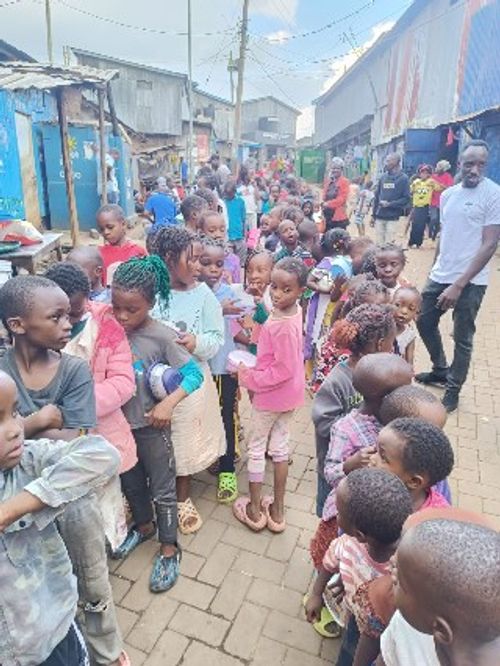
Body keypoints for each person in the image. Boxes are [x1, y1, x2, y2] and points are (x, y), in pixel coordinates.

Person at [0, 275, 126, 666]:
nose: (67, 324)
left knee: (91, 577)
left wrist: (31, 427)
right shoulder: (4, 374)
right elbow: (54, 431)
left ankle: (106, 650)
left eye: (67, 316)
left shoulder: (71, 370)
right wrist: (39, 420)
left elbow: (78, 439)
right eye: (55, 318)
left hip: (74, 502)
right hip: (40, 478)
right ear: (17, 325)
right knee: (52, 579)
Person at [110, 255, 203, 590]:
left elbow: (193, 375)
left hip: (152, 427)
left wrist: (168, 404)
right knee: (131, 481)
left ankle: (168, 546)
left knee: (163, 489)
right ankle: (144, 527)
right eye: (116, 305)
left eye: (131, 309)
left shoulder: (163, 336)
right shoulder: (109, 326)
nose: (121, 316)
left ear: (151, 302)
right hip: (119, 427)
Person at [44, 261, 137, 549]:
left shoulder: (106, 327)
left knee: (105, 494)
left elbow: (124, 381)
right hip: (56, 440)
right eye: (56, 316)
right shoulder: (37, 333)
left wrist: (75, 407)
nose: (67, 323)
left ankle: (111, 543)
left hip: (101, 431)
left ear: (87, 297)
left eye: (73, 312)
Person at [148, 226, 225, 534]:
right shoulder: (153, 291)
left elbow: (216, 338)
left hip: (190, 383)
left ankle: (181, 499)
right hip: (153, 379)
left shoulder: (204, 296)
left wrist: (197, 342)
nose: (197, 267)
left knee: (183, 442)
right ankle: (154, 489)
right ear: (168, 259)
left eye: (199, 260)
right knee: (156, 438)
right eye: (191, 260)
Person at [310, 353, 413, 581]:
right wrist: (350, 465)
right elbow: (330, 472)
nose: (410, 398)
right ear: (384, 397)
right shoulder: (346, 429)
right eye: (404, 393)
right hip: (349, 516)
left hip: (385, 519)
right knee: (335, 558)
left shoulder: (400, 423)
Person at [416, 140, 500, 413]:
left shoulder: (493, 195)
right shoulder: (449, 194)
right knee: (424, 320)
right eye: (469, 163)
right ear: (460, 165)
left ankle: (453, 388)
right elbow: (445, 234)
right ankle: (440, 368)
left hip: (471, 282)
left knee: (462, 337)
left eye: (480, 164)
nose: (475, 169)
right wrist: (433, 269)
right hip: (442, 274)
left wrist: (458, 284)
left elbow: (489, 244)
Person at [305, 468, 413, 665]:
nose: (336, 515)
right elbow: (328, 565)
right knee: (349, 648)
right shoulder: (345, 545)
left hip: (387, 636)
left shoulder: (406, 569)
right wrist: (316, 594)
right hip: (357, 619)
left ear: (361, 534)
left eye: (339, 513)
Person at [234, 257, 308, 533]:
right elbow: (269, 307)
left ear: (301, 290)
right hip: (289, 396)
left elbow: (282, 369)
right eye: (274, 286)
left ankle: (254, 510)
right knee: (279, 448)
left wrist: (248, 378)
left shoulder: (281, 327)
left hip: (270, 394)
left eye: (285, 289)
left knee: (257, 448)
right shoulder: (294, 310)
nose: (276, 294)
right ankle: (277, 510)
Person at [311, 304, 397, 520]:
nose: (393, 347)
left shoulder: (385, 375)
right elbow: (323, 422)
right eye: (391, 342)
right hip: (336, 467)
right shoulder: (338, 380)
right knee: (329, 515)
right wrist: (360, 422)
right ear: (379, 344)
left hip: (369, 467)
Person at [394, 517, 500, 666]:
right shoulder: (403, 627)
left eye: (400, 583)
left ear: (441, 629)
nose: (392, 576)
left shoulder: (411, 635)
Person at [198, 236, 240, 503]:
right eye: (206, 263)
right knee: (203, 414)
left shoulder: (230, 293)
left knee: (226, 416)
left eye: (219, 264)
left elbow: (241, 327)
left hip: (224, 366)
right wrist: (216, 310)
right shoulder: (194, 294)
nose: (213, 269)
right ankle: (211, 454)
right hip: (200, 367)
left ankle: (228, 469)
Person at [373, 418, 454, 511]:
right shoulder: (371, 488)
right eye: (376, 450)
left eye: (383, 457)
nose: (372, 458)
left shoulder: (434, 519)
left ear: (413, 481)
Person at [304, 229, 352, 365]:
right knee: (320, 333)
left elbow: (310, 281)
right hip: (324, 305)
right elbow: (309, 281)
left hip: (335, 305)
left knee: (324, 334)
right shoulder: (329, 263)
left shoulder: (347, 263)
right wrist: (323, 289)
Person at [96, 204, 146, 286]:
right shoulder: (98, 254)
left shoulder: (138, 252)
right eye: (101, 229)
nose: (106, 232)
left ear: (123, 224)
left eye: (110, 227)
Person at [372, 153, 410, 245]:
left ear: (396, 162)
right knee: (379, 244)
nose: (386, 163)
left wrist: (390, 204)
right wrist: (373, 215)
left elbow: (406, 199)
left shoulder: (403, 179)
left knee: (389, 244)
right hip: (379, 215)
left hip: (392, 217)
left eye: (388, 161)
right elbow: (377, 196)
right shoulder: (383, 177)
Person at [408, 165, 437, 248]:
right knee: (414, 224)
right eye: (422, 172)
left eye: (426, 173)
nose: (424, 174)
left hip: (425, 207)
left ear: (429, 174)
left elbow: (439, 188)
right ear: (419, 174)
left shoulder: (431, 182)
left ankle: (418, 243)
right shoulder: (416, 182)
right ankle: (411, 242)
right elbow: (410, 191)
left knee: (421, 225)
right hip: (416, 206)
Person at [392, 286, 422, 366]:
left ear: (416, 313)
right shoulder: (381, 327)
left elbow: (409, 363)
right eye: (398, 305)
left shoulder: (409, 335)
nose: (404, 311)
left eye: (411, 308)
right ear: (390, 304)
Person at [322, 158, 351, 231]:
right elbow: (324, 196)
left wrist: (328, 204)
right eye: (333, 168)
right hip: (326, 215)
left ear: (341, 170)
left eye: (337, 168)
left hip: (338, 217)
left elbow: (341, 199)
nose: (335, 170)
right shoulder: (328, 181)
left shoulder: (344, 182)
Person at [223, 178, 247, 263]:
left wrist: (245, 236)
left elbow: (244, 219)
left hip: (239, 236)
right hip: (228, 237)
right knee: (229, 263)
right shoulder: (223, 202)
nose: (227, 196)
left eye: (229, 194)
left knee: (241, 263)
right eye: (226, 194)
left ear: (234, 192)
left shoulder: (240, 201)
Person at [429, 159, 453, 240]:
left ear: (443, 169)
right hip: (433, 201)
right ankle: (430, 233)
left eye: (439, 167)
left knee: (439, 220)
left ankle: (434, 236)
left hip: (442, 202)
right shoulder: (433, 177)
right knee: (434, 218)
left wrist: (441, 186)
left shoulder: (448, 177)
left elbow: (450, 188)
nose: (436, 168)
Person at [237, 165, 259, 233]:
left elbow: (257, 198)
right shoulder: (238, 187)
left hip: (252, 212)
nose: (252, 176)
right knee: (244, 232)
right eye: (250, 174)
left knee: (253, 232)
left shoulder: (252, 186)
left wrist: (255, 186)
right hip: (243, 213)